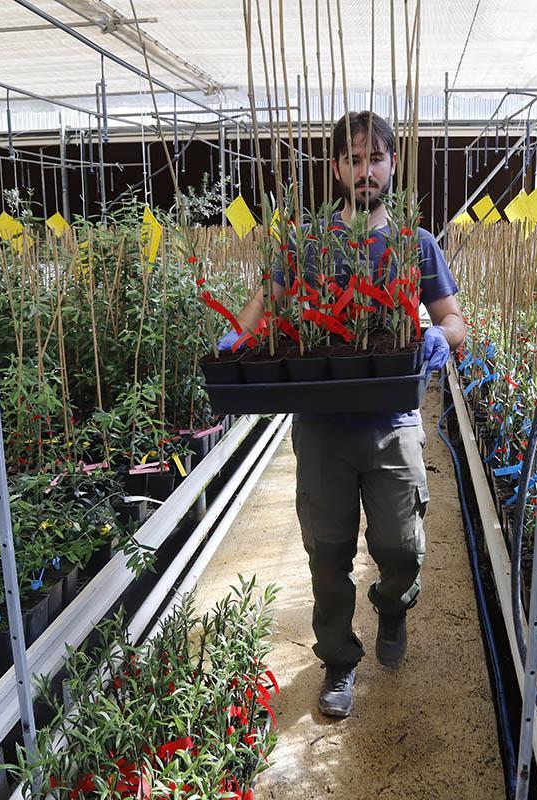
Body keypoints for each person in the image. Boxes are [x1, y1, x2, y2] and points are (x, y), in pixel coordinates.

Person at [219, 111, 466, 717]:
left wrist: (440, 337)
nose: (364, 170)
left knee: (402, 545)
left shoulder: (415, 245)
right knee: (327, 553)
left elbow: (455, 320)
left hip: (393, 423)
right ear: (336, 168)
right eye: (352, 159)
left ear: (391, 165)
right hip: (323, 425)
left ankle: (392, 606)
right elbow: (260, 308)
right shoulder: (309, 244)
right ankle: (337, 660)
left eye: (375, 158)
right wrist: (233, 344)